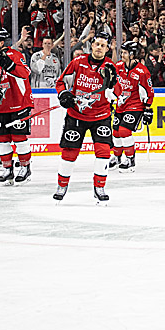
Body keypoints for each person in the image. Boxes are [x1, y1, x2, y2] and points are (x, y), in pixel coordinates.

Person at [53, 30, 117, 202]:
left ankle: (100, 187)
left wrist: (112, 88)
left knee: (103, 151)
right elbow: (60, 82)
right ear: (92, 45)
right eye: (97, 44)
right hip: (76, 114)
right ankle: (62, 186)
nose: (99, 48)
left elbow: (116, 92)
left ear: (107, 48)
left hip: (101, 115)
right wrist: (64, 94)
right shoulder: (78, 62)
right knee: (69, 152)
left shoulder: (111, 67)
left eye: (103, 45)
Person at [0, 27, 35, 185]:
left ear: (1, 42)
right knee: (2, 138)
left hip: (19, 103)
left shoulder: (15, 55)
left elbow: (26, 73)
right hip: (1, 105)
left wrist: (11, 66)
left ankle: (25, 167)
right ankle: (7, 169)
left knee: (19, 138)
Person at [110, 41, 155, 172]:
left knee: (124, 131)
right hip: (120, 104)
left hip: (135, 105)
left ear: (132, 54)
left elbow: (149, 91)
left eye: (124, 53)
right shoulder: (118, 66)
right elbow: (112, 84)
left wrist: (147, 109)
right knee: (116, 131)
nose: (122, 55)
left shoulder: (142, 71)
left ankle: (130, 159)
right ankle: (117, 157)